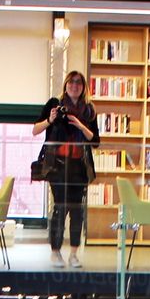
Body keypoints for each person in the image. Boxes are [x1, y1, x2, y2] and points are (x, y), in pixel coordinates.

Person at [34, 72, 100, 267]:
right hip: (58, 165)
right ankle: (55, 252)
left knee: (77, 211)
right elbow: (35, 130)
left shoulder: (89, 110)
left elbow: (95, 141)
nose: (74, 86)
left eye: (79, 83)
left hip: (79, 166)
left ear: (84, 87)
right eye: (71, 82)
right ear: (65, 85)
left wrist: (80, 125)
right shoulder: (54, 104)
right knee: (60, 208)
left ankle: (73, 254)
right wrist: (50, 120)